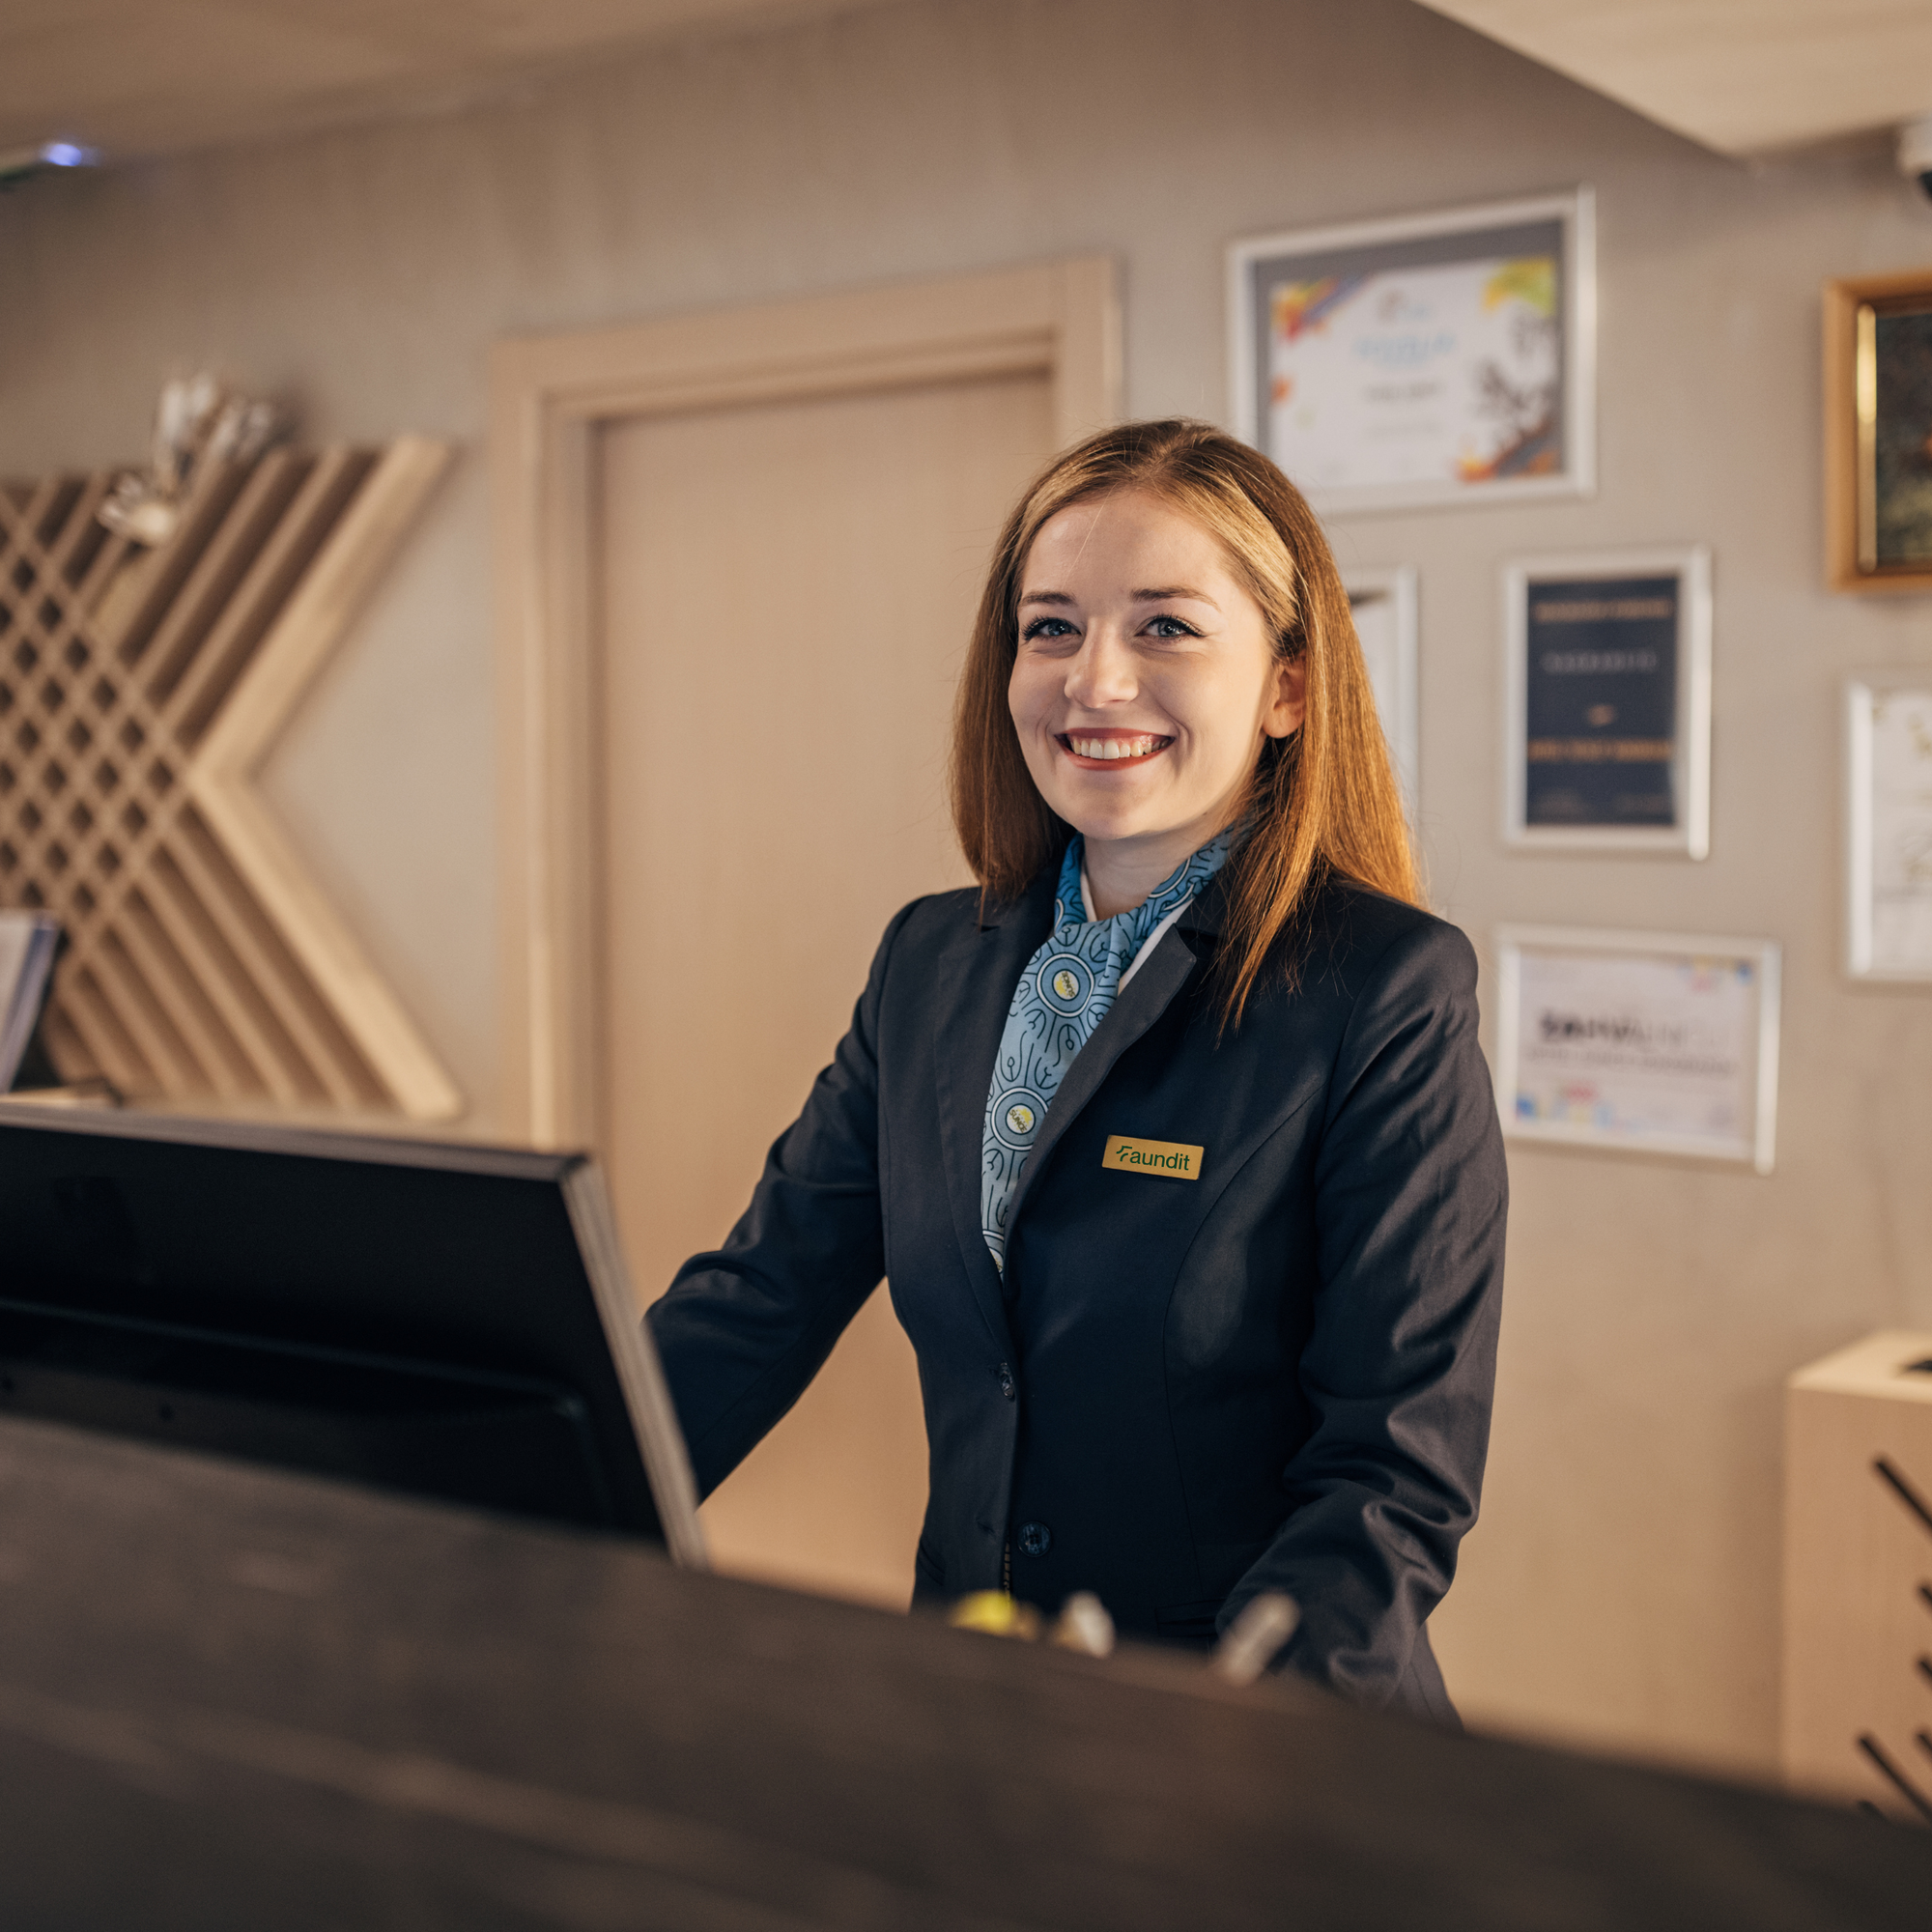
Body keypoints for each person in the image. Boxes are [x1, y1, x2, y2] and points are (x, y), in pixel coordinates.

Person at [647, 418, 1507, 1723]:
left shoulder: (1384, 991)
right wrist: (508, 1500)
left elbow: (1390, 1478)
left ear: (1286, 687)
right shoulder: (931, 961)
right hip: (979, 1706)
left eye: (1166, 627)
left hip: (1260, 1738)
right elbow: (757, 1302)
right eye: (1051, 628)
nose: (1095, 681)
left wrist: (1227, 1741)